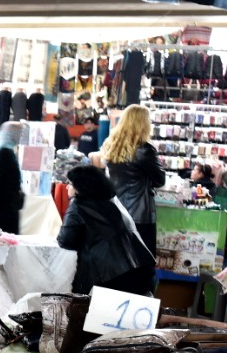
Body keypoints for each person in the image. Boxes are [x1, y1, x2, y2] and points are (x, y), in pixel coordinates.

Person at [58, 164, 155, 295]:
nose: (67, 187)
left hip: (110, 276)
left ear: (79, 186)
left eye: (70, 183)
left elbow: (65, 241)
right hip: (141, 269)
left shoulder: (77, 205)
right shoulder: (113, 201)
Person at [93, 103, 163, 255]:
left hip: (114, 210)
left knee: (118, 258)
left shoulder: (111, 145)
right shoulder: (145, 150)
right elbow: (160, 180)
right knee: (141, 260)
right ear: (143, 124)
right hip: (139, 215)